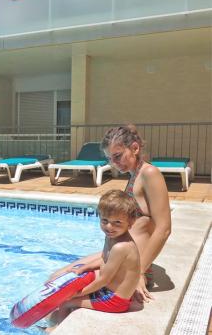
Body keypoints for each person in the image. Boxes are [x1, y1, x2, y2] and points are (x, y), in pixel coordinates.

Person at [49, 125, 171, 303]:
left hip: (132, 267)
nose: (114, 163)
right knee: (57, 278)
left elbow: (164, 229)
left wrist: (139, 272)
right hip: (119, 256)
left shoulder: (149, 173)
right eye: (110, 159)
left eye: (118, 156)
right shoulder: (134, 175)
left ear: (135, 148)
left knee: (61, 288)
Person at [47, 190, 141, 331]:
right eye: (105, 221)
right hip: (107, 291)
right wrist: (84, 267)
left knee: (66, 302)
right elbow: (104, 259)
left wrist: (79, 294)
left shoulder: (121, 247)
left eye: (117, 222)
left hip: (115, 300)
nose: (109, 227)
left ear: (131, 222)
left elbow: (104, 279)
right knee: (69, 291)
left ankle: (59, 329)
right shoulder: (111, 237)